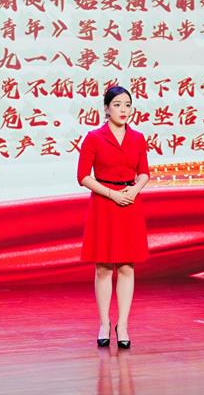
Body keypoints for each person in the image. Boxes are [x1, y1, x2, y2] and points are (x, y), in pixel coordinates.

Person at [76, 85, 150, 349]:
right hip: (104, 204)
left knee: (127, 266)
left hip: (129, 203)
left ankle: (124, 325)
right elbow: (83, 176)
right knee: (104, 267)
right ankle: (104, 323)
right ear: (106, 109)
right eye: (117, 105)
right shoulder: (94, 138)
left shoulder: (138, 138)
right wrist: (112, 194)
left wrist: (134, 190)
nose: (123, 110)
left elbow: (144, 172)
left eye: (127, 105)